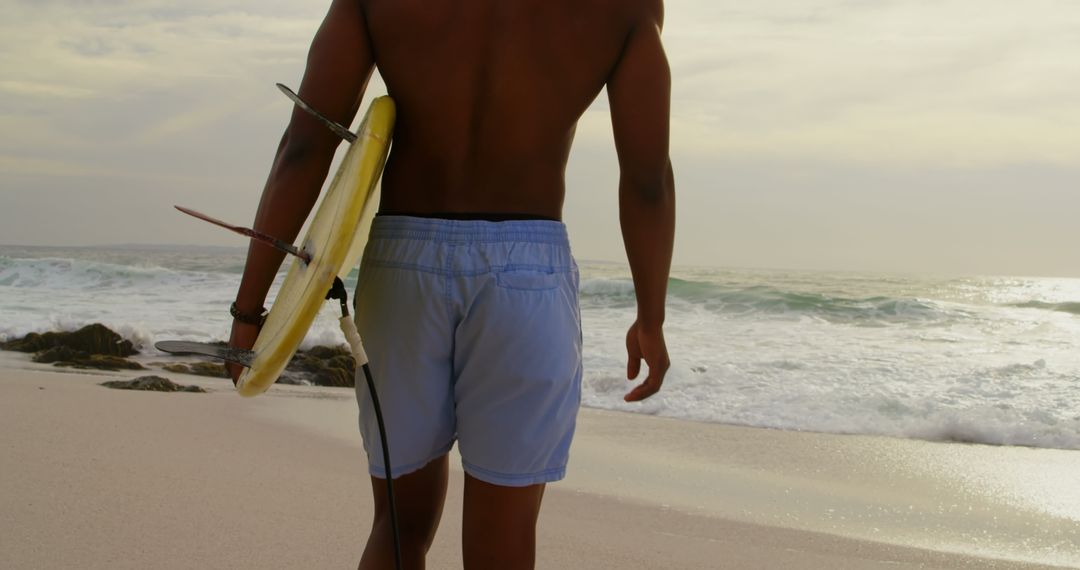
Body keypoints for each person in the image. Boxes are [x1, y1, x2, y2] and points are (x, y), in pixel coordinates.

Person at [226, 0, 674, 567]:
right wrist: (650, 316)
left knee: (399, 525)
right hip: (527, 276)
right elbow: (648, 178)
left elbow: (306, 145)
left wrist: (250, 312)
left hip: (401, 270)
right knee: (502, 547)